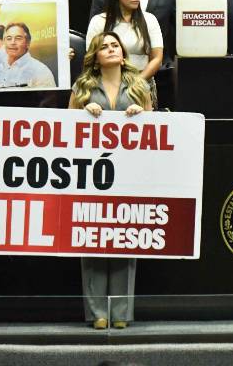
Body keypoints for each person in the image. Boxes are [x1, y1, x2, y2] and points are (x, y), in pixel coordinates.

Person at [69, 31, 151, 329]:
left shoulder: (139, 85)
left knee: (125, 240)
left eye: (115, 45)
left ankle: (120, 313)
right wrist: (83, 113)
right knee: (92, 239)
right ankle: (97, 313)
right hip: (92, 174)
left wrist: (142, 115)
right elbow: (65, 127)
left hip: (129, 174)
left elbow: (157, 127)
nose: (111, 49)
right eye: (104, 47)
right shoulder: (82, 86)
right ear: (95, 56)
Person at [87, 0, 163, 98]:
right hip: (107, 86)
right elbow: (91, 58)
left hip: (141, 85)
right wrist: (117, 87)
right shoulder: (99, 21)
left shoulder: (150, 19)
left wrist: (136, 83)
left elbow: (157, 58)